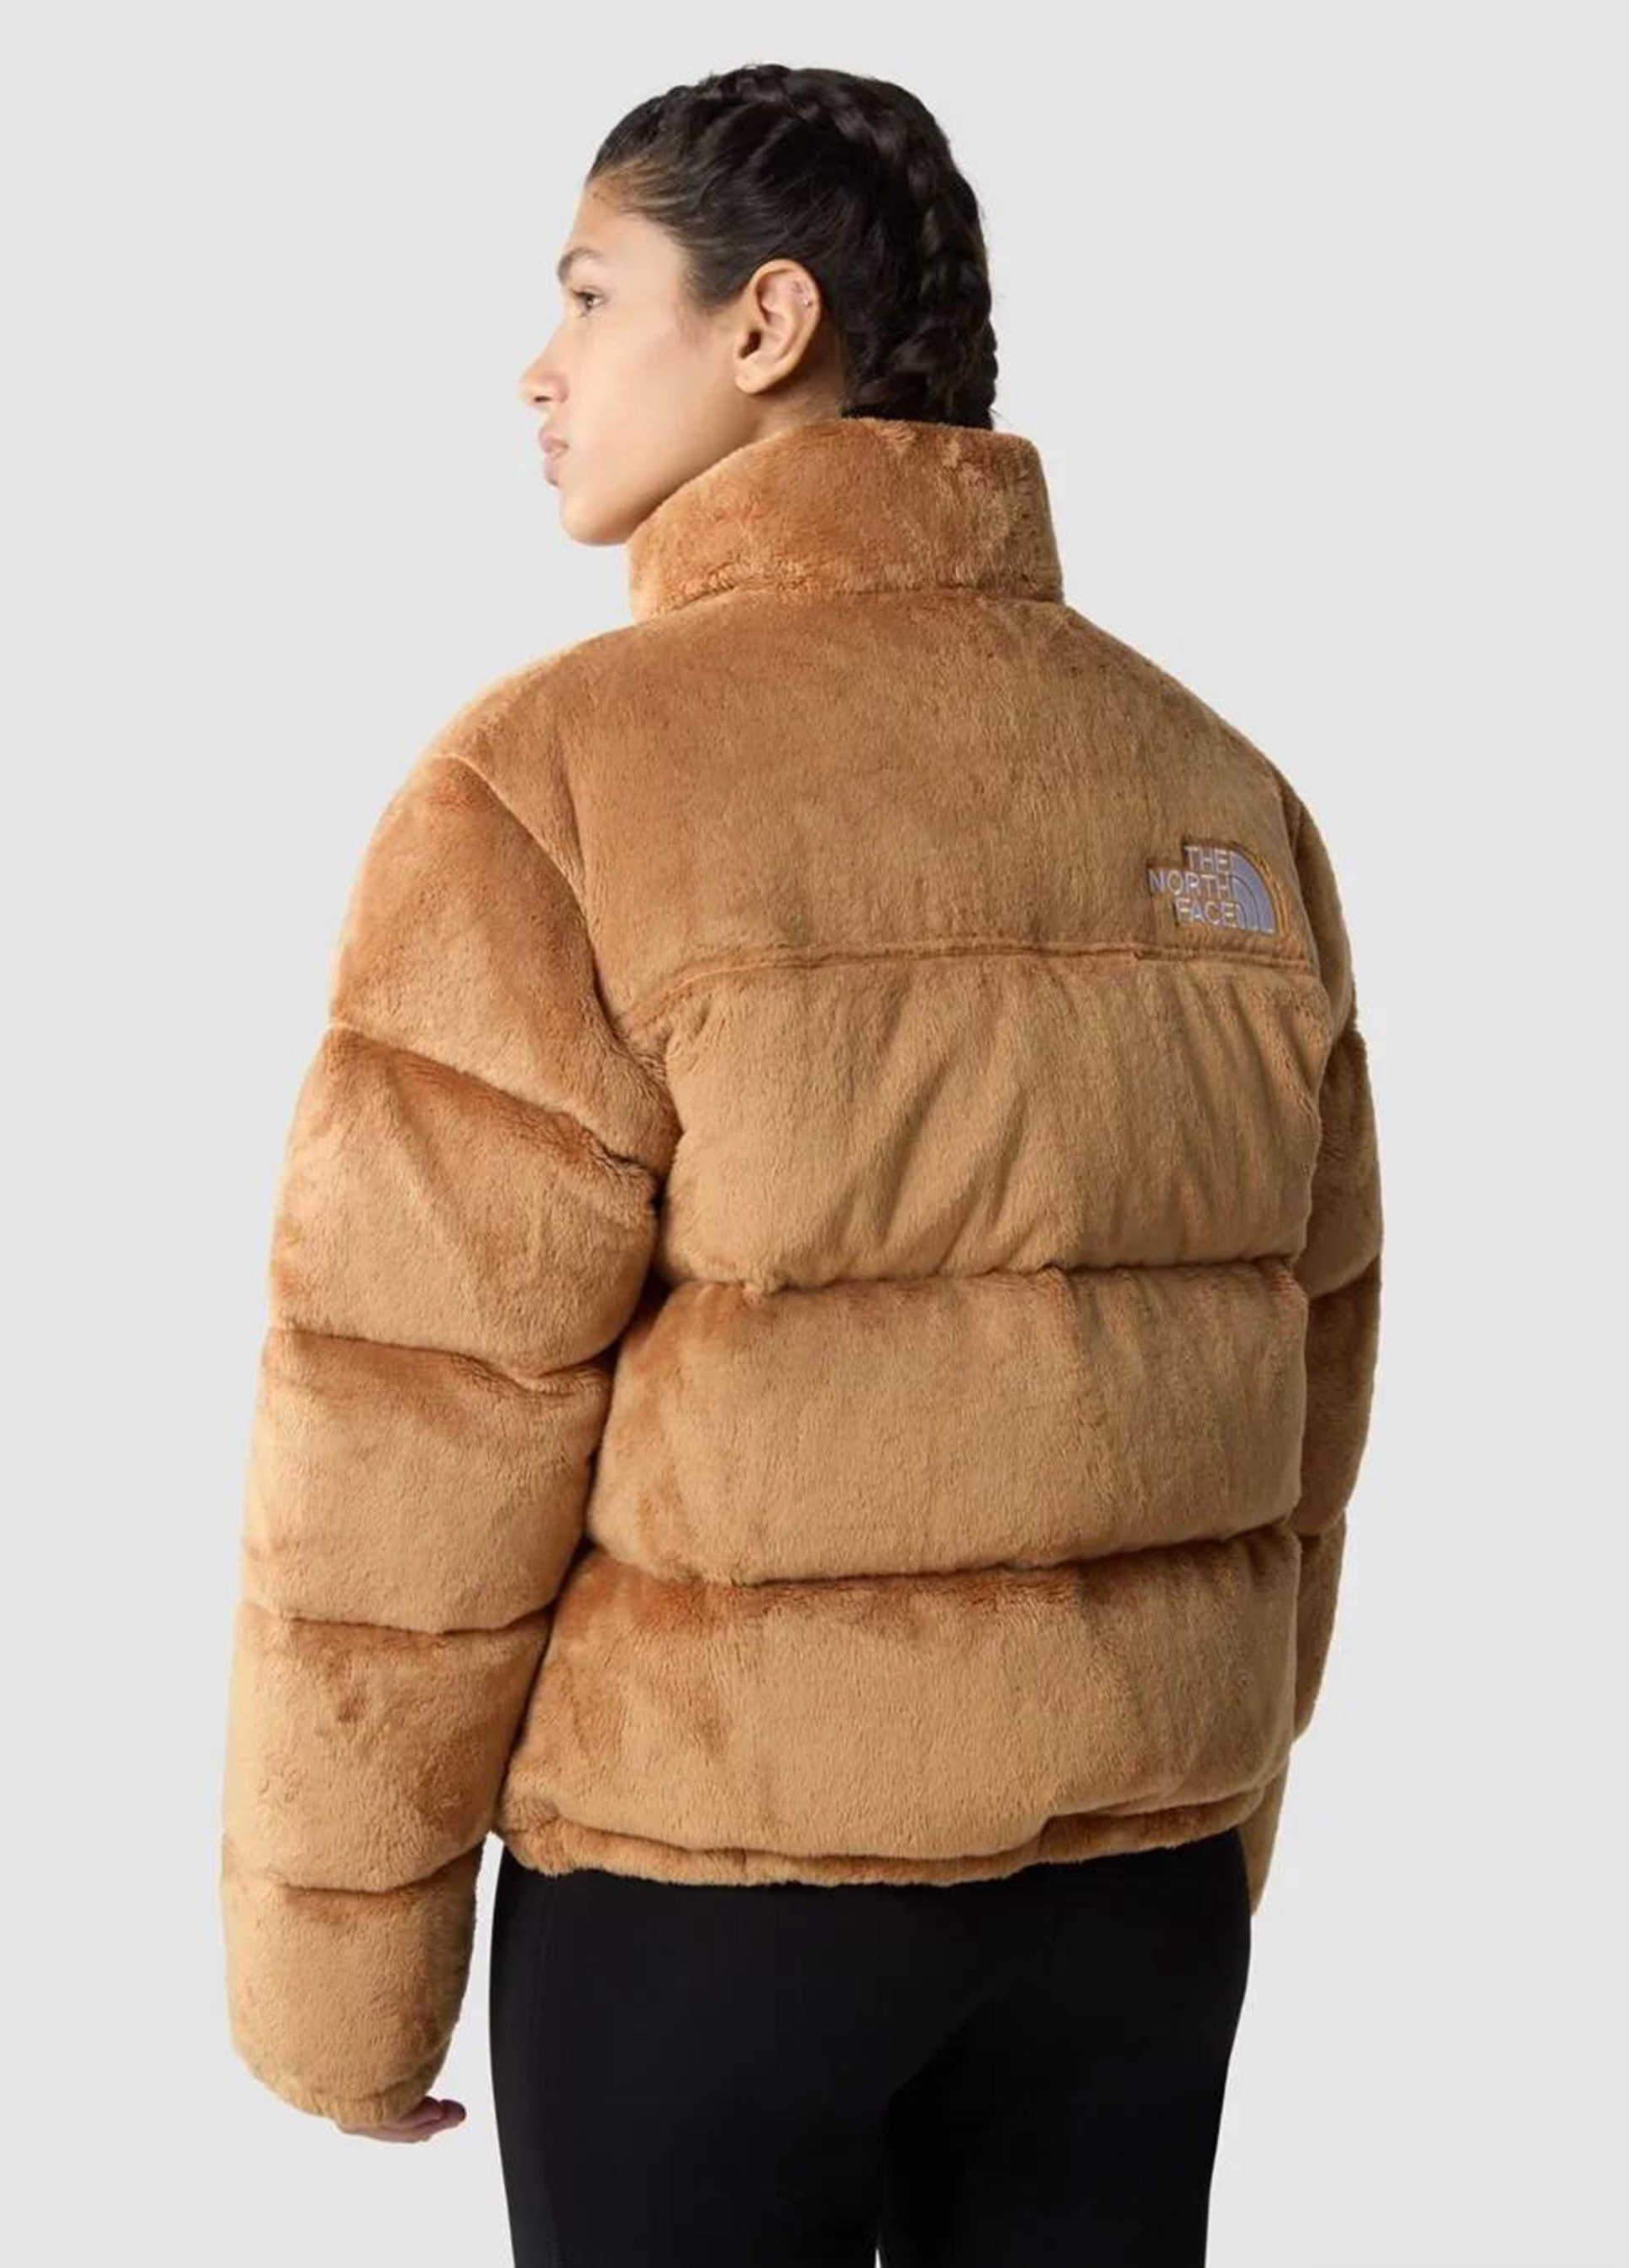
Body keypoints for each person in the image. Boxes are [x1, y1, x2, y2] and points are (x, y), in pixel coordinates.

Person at [218, 61, 1383, 2268]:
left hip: (712, 1910)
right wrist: (1212, 1809)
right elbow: (1307, 1378)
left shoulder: (551, 783)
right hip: (1132, 1909)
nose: (540, 366)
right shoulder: (1216, 786)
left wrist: (342, 1979)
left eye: (590, 294)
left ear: (766, 323)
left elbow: (411, 1436)